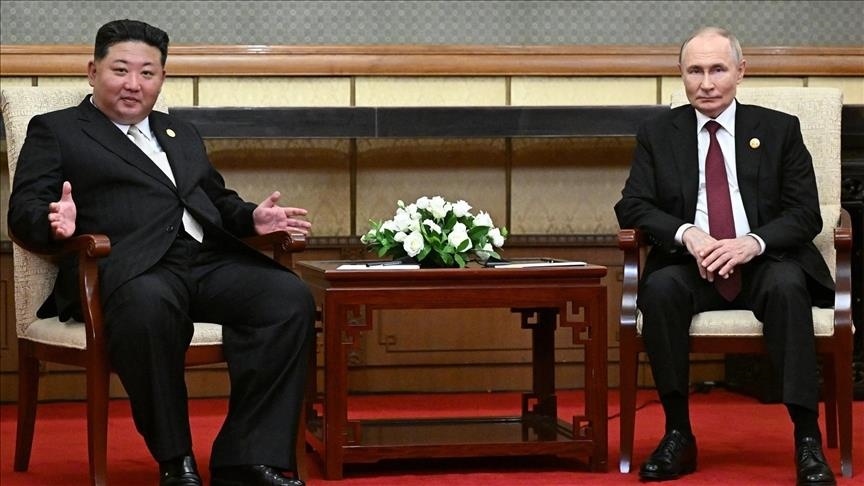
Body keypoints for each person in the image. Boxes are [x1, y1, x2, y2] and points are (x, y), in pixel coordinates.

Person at [8, 19, 314, 486]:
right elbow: (23, 210)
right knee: (148, 308)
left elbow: (214, 199)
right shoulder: (58, 130)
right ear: (93, 71)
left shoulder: (179, 132)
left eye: (147, 73)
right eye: (121, 70)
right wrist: (54, 223)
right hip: (127, 267)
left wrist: (252, 218)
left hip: (203, 261)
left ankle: (246, 459)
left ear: (162, 78)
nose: (133, 84)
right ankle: (176, 460)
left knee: (287, 298)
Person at [614, 27, 836, 485]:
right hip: (690, 265)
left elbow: (805, 214)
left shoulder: (778, 129)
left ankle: (807, 439)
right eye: (694, 71)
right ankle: (678, 434)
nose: (706, 83)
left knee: (788, 287)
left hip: (763, 264)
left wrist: (751, 242)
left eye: (717, 69)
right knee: (659, 289)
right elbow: (632, 205)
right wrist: (687, 233)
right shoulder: (658, 133)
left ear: (740, 71)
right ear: (681, 75)